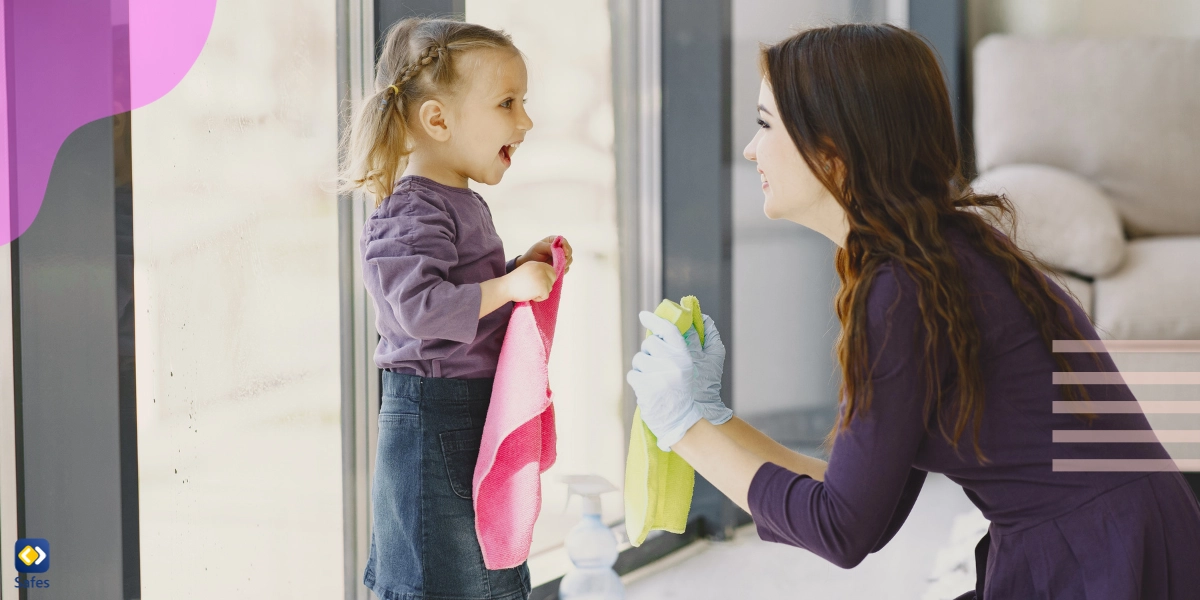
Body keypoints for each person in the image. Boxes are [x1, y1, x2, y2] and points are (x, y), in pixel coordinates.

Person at [626, 23, 1200, 599]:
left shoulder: (904, 290)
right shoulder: (935, 256)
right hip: (1125, 538)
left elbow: (841, 529)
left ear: (834, 150)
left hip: (1100, 564)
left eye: (764, 125)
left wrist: (684, 426)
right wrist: (711, 419)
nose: (751, 149)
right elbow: (857, 505)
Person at [340, 17, 572, 600]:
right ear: (438, 119)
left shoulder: (455, 201)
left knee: (484, 565)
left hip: (465, 412)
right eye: (507, 103)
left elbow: (463, 293)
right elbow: (420, 311)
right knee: (451, 578)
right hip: (436, 418)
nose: (525, 121)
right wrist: (511, 286)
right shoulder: (412, 211)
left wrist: (515, 268)